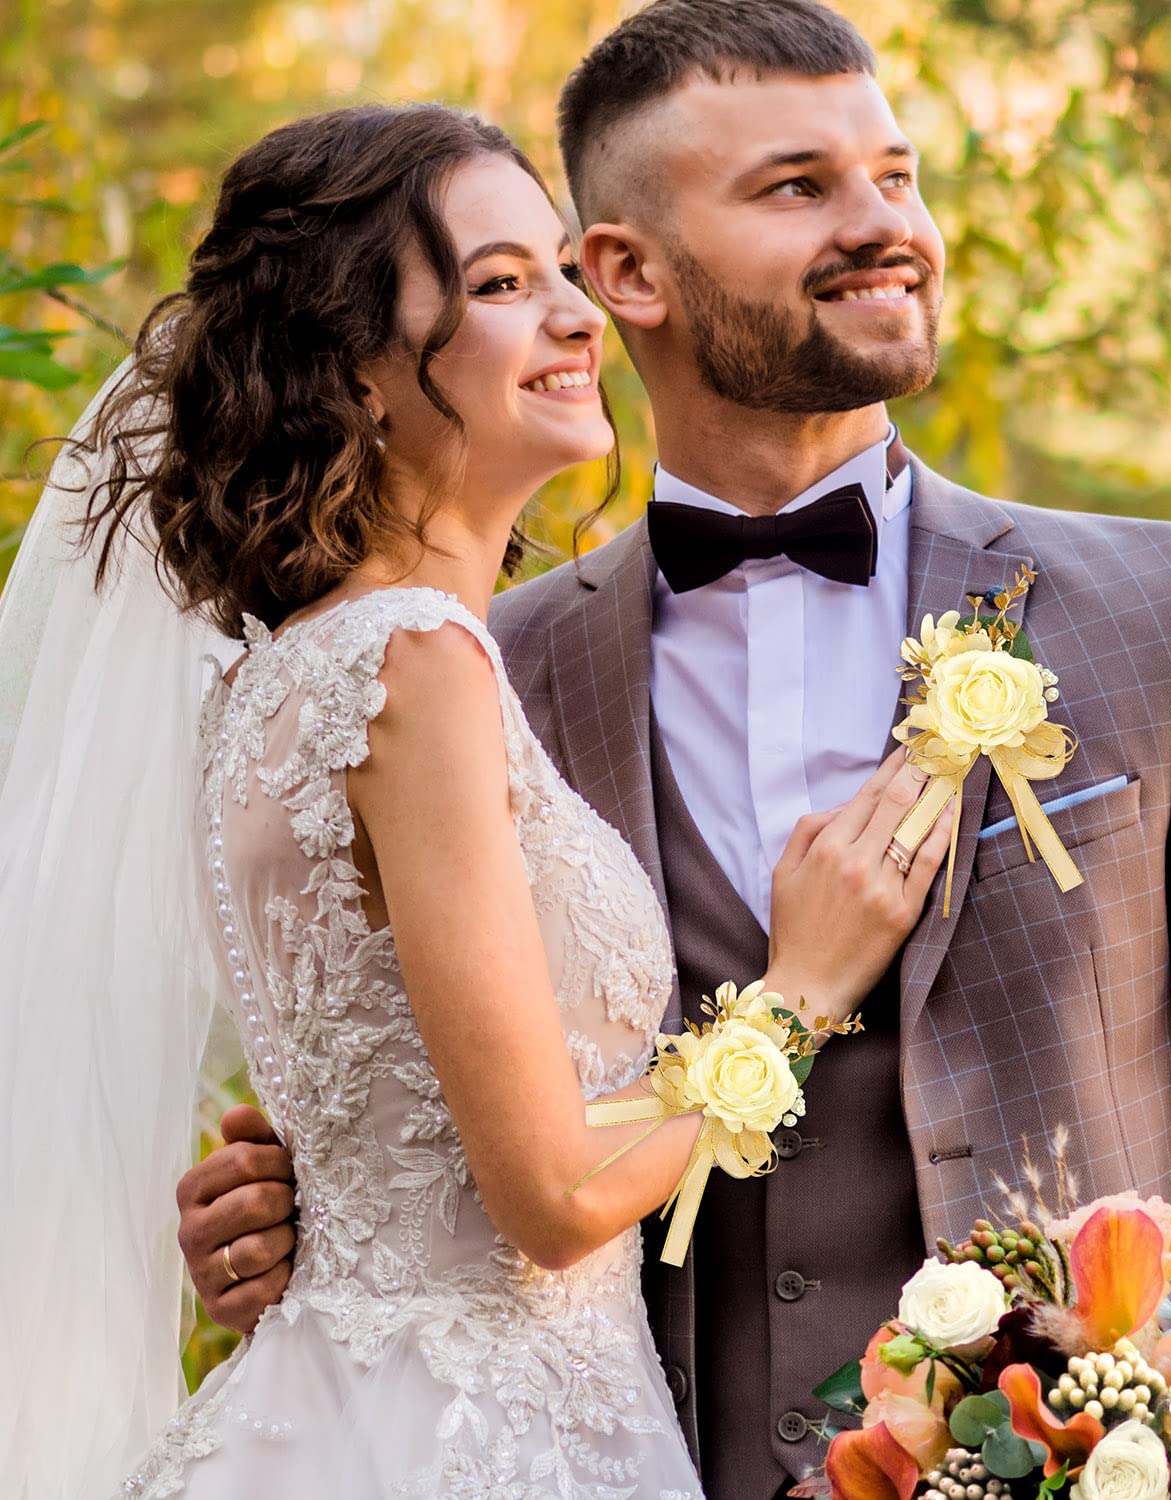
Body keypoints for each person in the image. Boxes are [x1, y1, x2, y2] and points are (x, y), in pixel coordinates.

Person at [178, 5, 1171, 1497]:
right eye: (799, 189)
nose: (884, 227)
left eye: (894, 177)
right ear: (624, 272)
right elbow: (471, 1128)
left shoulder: (1154, 608)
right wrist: (301, 1204)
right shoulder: (474, 665)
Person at [0, 100, 955, 1499]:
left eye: (563, 270)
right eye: (502, 284)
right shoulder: (415, 664)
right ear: (361, 375)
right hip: (484, 1438)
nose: (577, 318)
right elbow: (556, 1198)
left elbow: (383, 1113)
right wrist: (799, 996)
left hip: (345, 1408)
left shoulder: (276, 680)